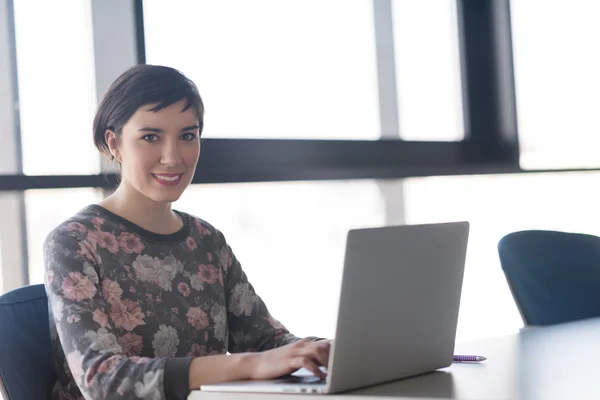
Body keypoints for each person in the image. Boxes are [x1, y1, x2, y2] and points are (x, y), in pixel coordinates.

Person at [43, 64, 330, 400]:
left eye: (187, 136)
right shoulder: (74, 242)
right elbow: (103, 379)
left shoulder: (207, 241)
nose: (172, 157)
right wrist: (250, 365)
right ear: (114, 143)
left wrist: (326, 351)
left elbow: (264, 339)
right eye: (150, 137)